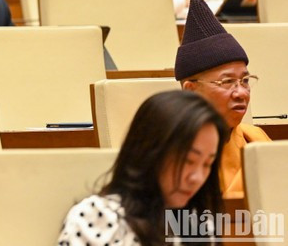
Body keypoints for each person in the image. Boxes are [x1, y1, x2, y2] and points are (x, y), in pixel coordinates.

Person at [58, 90, 228, 245]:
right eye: (188, 161)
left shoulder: (198, 221)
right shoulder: (95, 217)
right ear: (150, 153)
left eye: (208, 164)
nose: (197, 177)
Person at [175, 0, 271, 199]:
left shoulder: (254, 138)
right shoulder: (171, 147)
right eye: (227, 82)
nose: (242, 92)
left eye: (245, 81)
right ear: (191, 91)